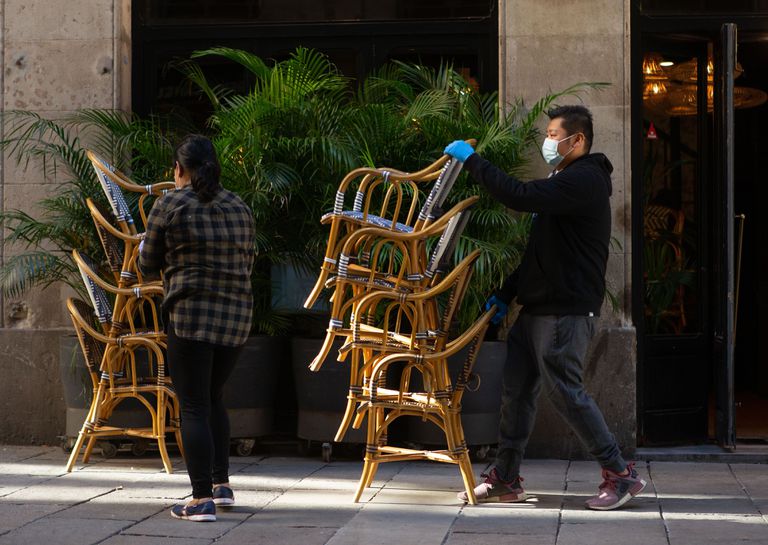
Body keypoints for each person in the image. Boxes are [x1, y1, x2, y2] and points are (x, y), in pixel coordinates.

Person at [443, 105, 645, 511]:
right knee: (516, 394)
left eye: (555, 134)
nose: (548, 141)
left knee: (566, 393)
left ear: (578, 140)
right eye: (549, 133)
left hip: (564, 312)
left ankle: (620, 474)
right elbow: (541, 252)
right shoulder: (565, 180)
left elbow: (519, 196)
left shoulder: (585, 180)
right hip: (536, 309)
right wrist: (506, 293)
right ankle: (505, 478)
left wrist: (473, 161)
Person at [139, 134, 255, 522]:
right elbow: (249, 261)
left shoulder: (169, 203)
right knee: (214, 397)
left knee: (192, 406)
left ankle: (201, 499)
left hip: (189, 318)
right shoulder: (238, 205)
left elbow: (147, 263)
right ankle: (221, 486)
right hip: (236, 320)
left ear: (178, 169)